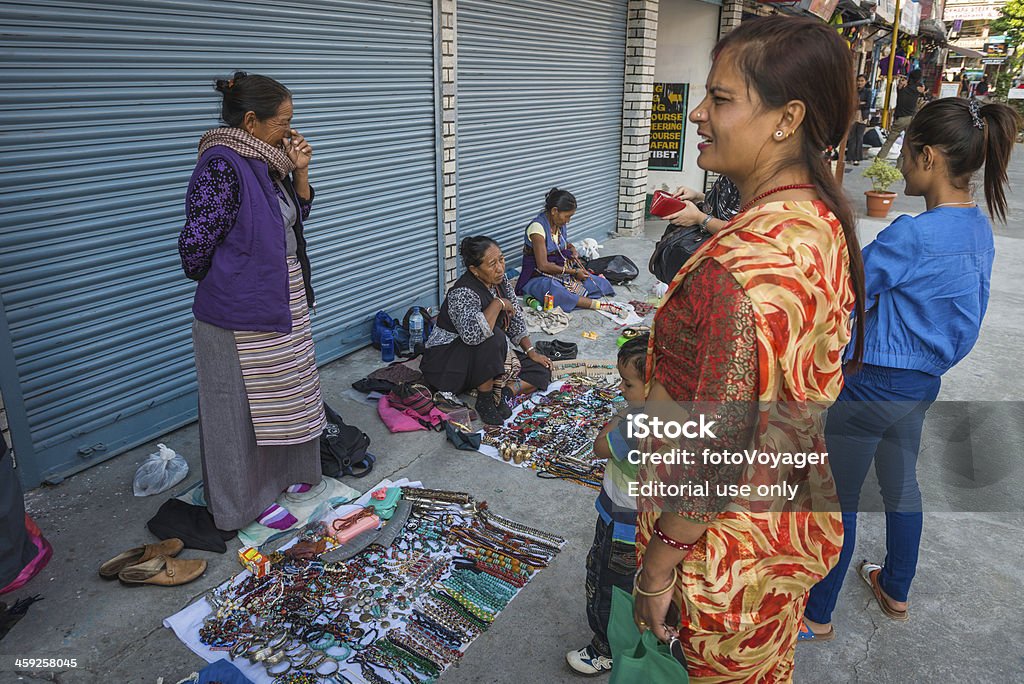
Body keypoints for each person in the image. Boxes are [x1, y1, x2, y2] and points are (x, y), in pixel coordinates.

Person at [630, 16, 866, 681]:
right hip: (781, 531)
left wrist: (658, 565)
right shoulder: (813, 220)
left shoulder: (739, 270)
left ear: (787, 118)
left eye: (722, 99)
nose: (698, 114)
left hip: (720, 561)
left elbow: (720, 444)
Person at [801, 98, 1020, 640]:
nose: (898, 165)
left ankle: (818, 614)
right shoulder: (976, 229)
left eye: (903, 153)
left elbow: (845, 289)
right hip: (921, 382)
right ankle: (895, 588)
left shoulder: (912, 234)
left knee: (838, 499)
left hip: (874, 379)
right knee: (901, 487)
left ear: (927, 157)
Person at [177, 72, 326, 532]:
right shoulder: (222, 165)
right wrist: (234, 276)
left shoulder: (268, 161)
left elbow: (292, 220)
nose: (291, 130)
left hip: (281, 296)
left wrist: (300, 171)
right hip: (238, 310)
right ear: (250, 120)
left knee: (286, 393)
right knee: (238, 409)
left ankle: (286, 477)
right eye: (283, 122)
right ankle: (243, 501)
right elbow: (195, 247)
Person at [565, 335, 648, 676]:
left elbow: (601, 447)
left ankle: (605, 649)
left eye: (628, 383)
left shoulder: (636, 423)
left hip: (621, 522)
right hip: (646, 524)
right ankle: (639, 639)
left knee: (607, 587)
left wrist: (618, 419)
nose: (621, 388)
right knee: (635, 587)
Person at [421, 236, 552, 425]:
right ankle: (485, 399)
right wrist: (498, 304)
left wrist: (531, 352)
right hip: (447, 364)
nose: (500, 268)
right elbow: (475, 336)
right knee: (493, 337)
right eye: (492, 264)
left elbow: (515, 318)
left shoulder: (500, 280)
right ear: (474, 270)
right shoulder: (462, 293)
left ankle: (506, 393)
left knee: (541, 370)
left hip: (479, 359)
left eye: (502, 259)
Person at [514, 188, 615, 312]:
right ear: (554, 211)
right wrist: (572, 272)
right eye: (567, 216)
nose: (568, 220)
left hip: (558, 270)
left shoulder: (558, 224)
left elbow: (559, 243)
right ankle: (596, 305)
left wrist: (571, 248)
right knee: (554, 289)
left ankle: (577, 298)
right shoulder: (537, 228)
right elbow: (543, 265)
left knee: (595, 282)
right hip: (537, 275)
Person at [876, 70, 926, 165]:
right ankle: (900, 165)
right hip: (910, 119)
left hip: (900, 118)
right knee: (906, 144)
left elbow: (899, 87)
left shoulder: (902, 87)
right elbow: (923, 88)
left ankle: (879, 160)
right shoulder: (917, 89)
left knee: (889, 141)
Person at [663, 175, 741, 235]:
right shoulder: (728, 176)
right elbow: (720, 205)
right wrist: (698, 196)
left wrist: (699, 218)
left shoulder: (749, 185)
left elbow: (741, 231)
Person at [847, 74, 872, 165]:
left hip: (863, 116)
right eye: (858, 80)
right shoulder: (853, 91)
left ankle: (857, 158)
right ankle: (850, 157)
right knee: (852, 136)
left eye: (862, 81)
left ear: (865, 82)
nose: (860, 83)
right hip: (853, 116)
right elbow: (850, 103)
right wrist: (859, 103)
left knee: (859, 137)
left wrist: (857, 104)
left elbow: (867, 104)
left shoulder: (868, 92)